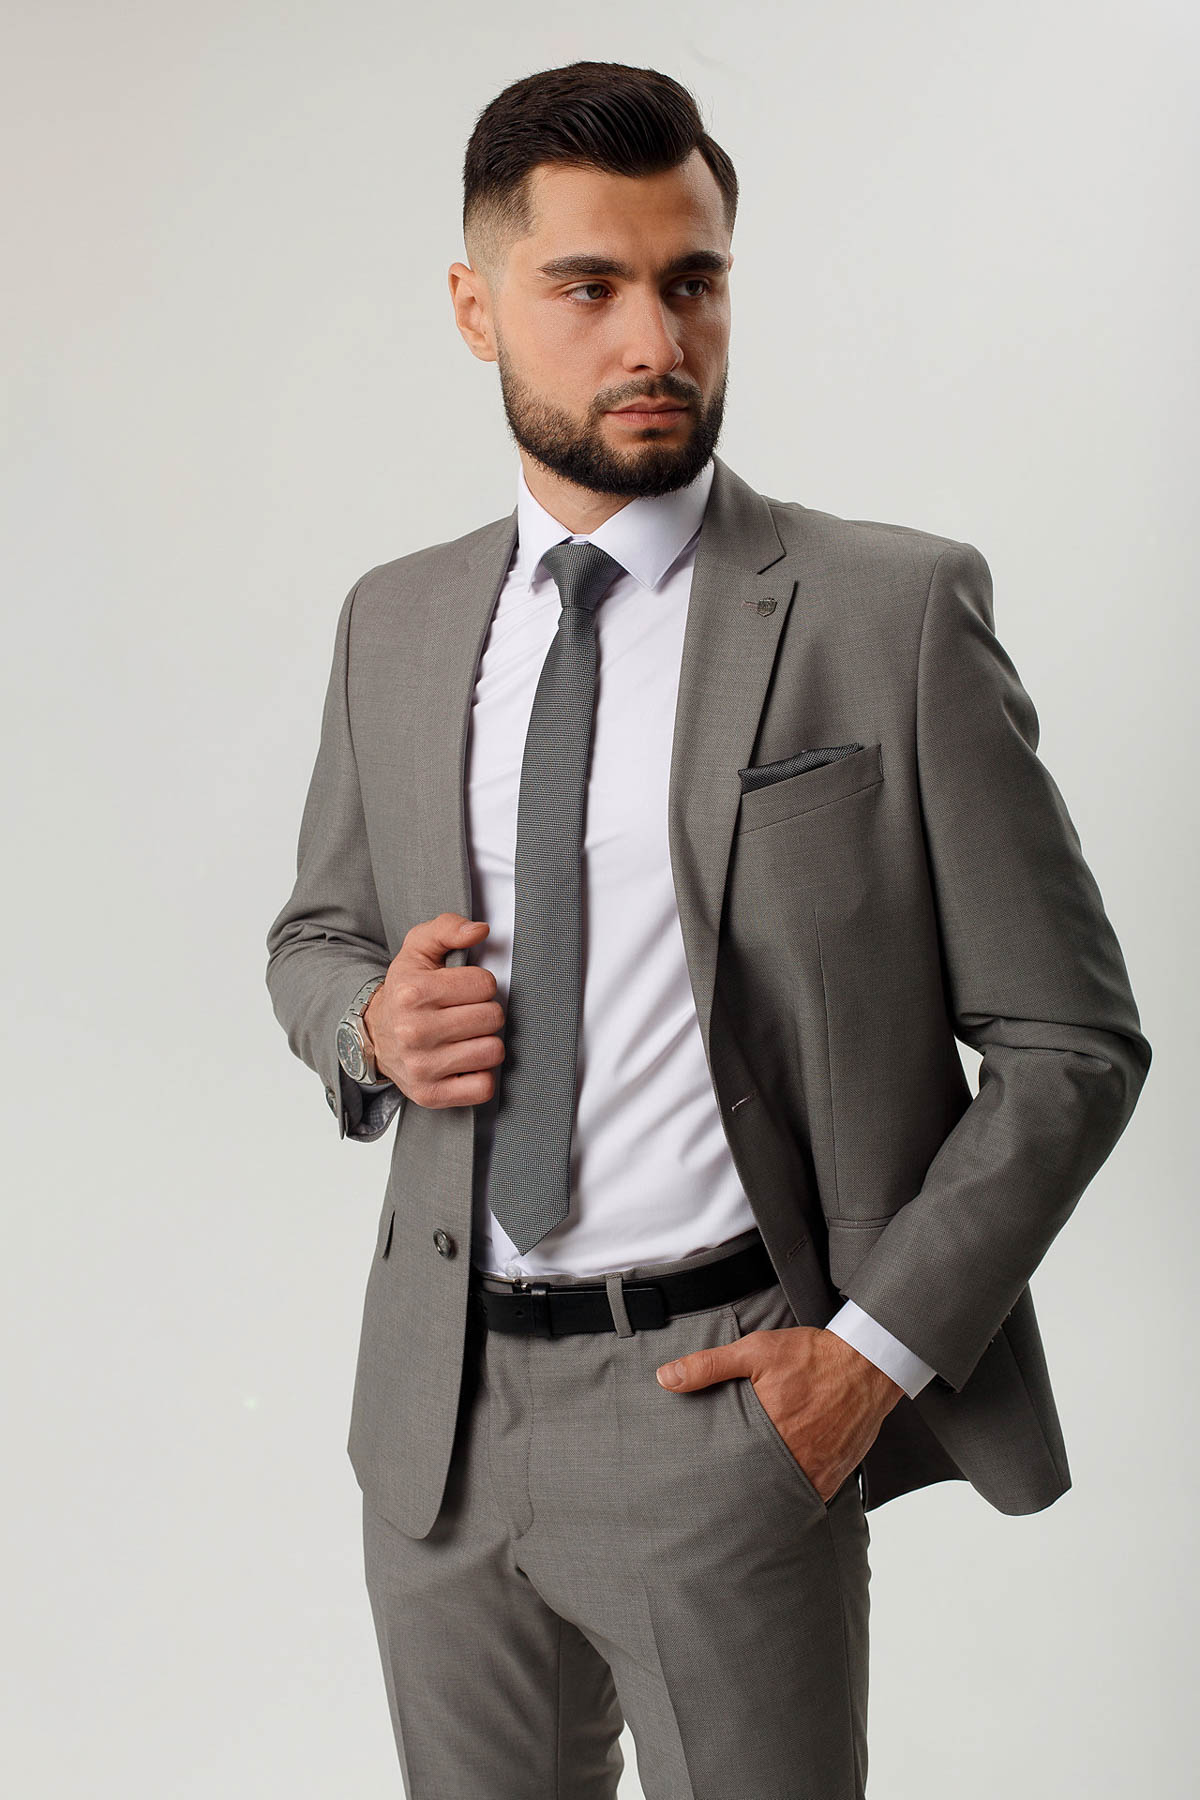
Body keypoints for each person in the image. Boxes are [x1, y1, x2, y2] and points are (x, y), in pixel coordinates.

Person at [264, 59, 1152, 1800]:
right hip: (437, 1424)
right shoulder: (398, 620)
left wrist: (869, 1360)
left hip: (727, 1414)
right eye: (588, 287)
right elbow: (316, 932)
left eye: (693, 281)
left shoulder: (888, 612)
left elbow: (1071, 1046)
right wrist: (366, 1024)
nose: (653, 338)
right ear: (476, 308)